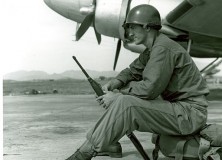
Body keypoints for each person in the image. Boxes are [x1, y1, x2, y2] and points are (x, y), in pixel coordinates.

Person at [65, 4, 209, 160]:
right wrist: (115, 83)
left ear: (147, 27)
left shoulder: (162, 48)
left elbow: (149, 89)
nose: (129, 33)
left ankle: (84, 154)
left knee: (127, 104)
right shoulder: (154, 48)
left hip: (190, 114)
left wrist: (117, 95)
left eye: (132, 27)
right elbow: (133, 71)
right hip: (181, 111)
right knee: (124, 101)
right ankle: (104, 144)